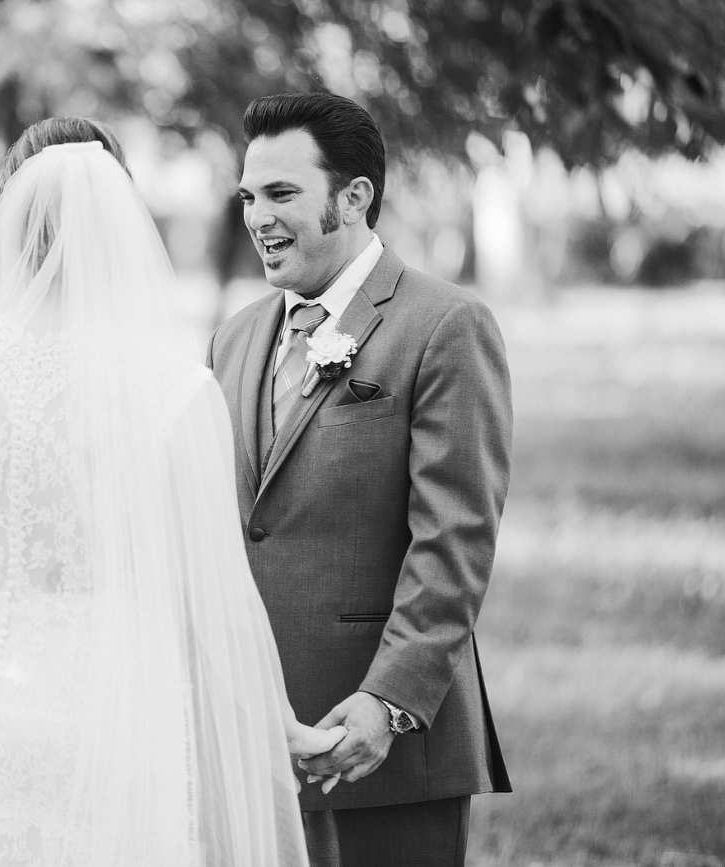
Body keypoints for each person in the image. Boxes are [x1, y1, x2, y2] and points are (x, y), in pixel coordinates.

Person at [0, 118, 343, 867]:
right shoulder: (173, 389)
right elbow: (210, 604)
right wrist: (273, 726)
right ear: (120, 221)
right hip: (100, 719)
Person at [206, 92, 513, 867]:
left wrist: (388, 699)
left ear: (353, 196)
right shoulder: (237, 336)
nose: (257, 216)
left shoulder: (443, 325)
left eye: (280, 193)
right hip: (249, 735)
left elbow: (454, 539)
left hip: (380, 744)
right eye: (248, 196)